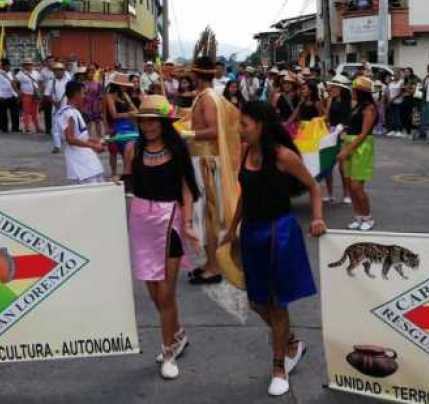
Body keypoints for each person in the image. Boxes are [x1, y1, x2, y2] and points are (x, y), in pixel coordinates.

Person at [221, 100, 325, 397]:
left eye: (244, 124)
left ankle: (279, 366)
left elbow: (314, 188)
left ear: (261, 125)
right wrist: (232, 230)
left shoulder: (283, 156)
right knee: (256, 301)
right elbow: (245, 195)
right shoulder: (244, 153)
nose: (240, 129)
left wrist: (317, 217)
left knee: (278, 304)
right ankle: (291, 342)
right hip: (251, 233)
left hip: (279, 233)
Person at [123, 95, 200, 380]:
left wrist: (189, 223)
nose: (148, 126)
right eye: (144, 121)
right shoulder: (133, 149)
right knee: (154, 293)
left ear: (164, 123)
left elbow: (187, 190)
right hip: (141, 222)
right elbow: (128, 183)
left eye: (154, 120)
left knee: (166, 293)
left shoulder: (178, 149)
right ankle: (178, 334)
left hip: (170, 223)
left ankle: (169, 350)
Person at [182, 56, 241, 285]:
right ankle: (209, 263)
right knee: (205, 213)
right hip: (202, 158)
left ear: (196, 75)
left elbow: (215, 130)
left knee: (208, 215)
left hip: (205, 161)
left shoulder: (207, 98)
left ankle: (215, 267)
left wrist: (189, 134)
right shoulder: (207, 96)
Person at [338, 76, 378, 231]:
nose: (352, 92)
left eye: (354, 89)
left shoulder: (369, 108)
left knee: (356, 186)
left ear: (361, 92)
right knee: (349, 184)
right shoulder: (357, 106)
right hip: (350, 143)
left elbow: (363, 133)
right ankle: (358, 216)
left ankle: (367, 217)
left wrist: (347, 149)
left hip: (361, 147)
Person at [58, 81, 106, 184]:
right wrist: (93, 146)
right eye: (83, 93)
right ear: (76, 94)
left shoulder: (75, 111)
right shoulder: (68, 113)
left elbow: (81, 136)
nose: (85, 97)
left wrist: (97, 141)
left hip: (87, 158)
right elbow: (70, 139)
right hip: (79, 161)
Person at [323, 75, 352, 204]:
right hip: (332, 133)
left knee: (343, 166)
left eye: (334, 87)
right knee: (328, 165)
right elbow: (327, 117)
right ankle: (330, 194)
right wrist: (329, 102)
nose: (332, 89)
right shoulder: (331, 100)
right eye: (332, 86)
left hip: (344, 133)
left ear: (341, 88)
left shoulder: (349, 102)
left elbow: (350, 119)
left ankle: (346, 194)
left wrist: (342, 128)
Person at [104, 72, 139, 174]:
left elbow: (135, 110)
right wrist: (130, 113)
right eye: (124, 86)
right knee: (113, 151)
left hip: (129, 125)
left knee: (128, 152)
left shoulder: (125, 95)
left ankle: (127, 172)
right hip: (116, 126)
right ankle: (114, 173)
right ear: (118, 86)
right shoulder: (109, 96)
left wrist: (133, 113)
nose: (126, 88)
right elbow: (114, 115)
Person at [47, 62, 72, 153]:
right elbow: (47, 95)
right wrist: (54, 102)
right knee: (55, 126)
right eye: (55, 71)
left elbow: (72, 94)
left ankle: (68, 142)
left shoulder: (68, 81)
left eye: (59, 70)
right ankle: (57, 146)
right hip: (56, 107)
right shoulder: (51, 81)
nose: (57, 72)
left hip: (67, 106)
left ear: (63, 71)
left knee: (67, 125)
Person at [76, 66, 104, 139]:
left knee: (98, 123)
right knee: (88, 123)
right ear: (86, 73)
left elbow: (101, 95)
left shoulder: (98, 84)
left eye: (92, 73)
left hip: (96, 105)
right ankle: (88, 139)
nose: (91, 74)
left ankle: (100, 139)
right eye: (89, 73)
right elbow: (80, 95)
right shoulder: (83, 84)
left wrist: (100, 105)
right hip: (86, 106)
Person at [16, 58, 43, 134]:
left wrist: (39, 91)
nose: (28, 66)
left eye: (29, 64)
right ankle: (27, 127)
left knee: (35, 112)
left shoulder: (36, 73)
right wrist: (18, 91)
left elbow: (40, 82)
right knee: (26, 112)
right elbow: (15, 82)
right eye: (26, 64)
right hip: (26, 95)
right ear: (24, 65)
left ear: (32, 65)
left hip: (35, 95)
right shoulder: (21, 73)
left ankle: (37, 127)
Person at [0, 58, 20, 133]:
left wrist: (16, 95)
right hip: (3, 97)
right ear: (3, 66)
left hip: (12, 96)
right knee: (3, 114)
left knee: (15, 113)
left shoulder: (11, 74)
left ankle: (15, 128)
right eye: (6, 66)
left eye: (9, 66)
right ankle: (4, 128)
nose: (8, 67)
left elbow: (14, 84)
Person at [39, 56, 56, 135]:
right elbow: (40, 83)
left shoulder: (57, 70)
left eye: (52, 61)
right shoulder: (43, 71)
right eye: (49, 61)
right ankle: (48, 129)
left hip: (56, 95)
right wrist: (42, 94)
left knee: (57, 113)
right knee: (47, 112)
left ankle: (56, 129)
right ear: (46, 62)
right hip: (47, 95)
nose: (50, 63)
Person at [386, 70, 404, 137]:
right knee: (392, 116)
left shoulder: (401, 82)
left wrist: (393, 98)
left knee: (397, 116)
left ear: (399, 75)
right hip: (390, 101)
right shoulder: (391, 82)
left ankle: (399, 130)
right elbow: (388, 90)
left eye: (396, 74)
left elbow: (401, 92)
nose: (395, 76)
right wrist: (388, 99)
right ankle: (392, 130)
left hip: (398, 101)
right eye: (394, 75)